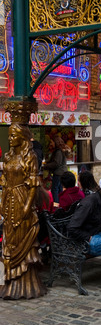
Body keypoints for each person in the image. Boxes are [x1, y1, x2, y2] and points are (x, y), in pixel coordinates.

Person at [0, 123, 46, 299]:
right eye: (9, 135)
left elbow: (34, 184)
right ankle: (6, 278)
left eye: (13, 135)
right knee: (8, 235)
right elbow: (4, 180)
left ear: (22, 137)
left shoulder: (30, 156)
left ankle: (23, 280)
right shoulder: (9, 156)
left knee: (21, 234)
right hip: (8, 197)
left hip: (22, 197)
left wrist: (27, 206)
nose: (10, 139)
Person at [43, 136, 70, 203]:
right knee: (59, 189)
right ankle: (60, 203)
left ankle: (56, 204)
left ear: (56, 142)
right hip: (61, 173)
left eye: (52, 142)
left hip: (58, 173)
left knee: (55, 189)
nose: (51, 144)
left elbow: (56, 163)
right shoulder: (60, 151)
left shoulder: (58, 152)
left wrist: (46, 166)